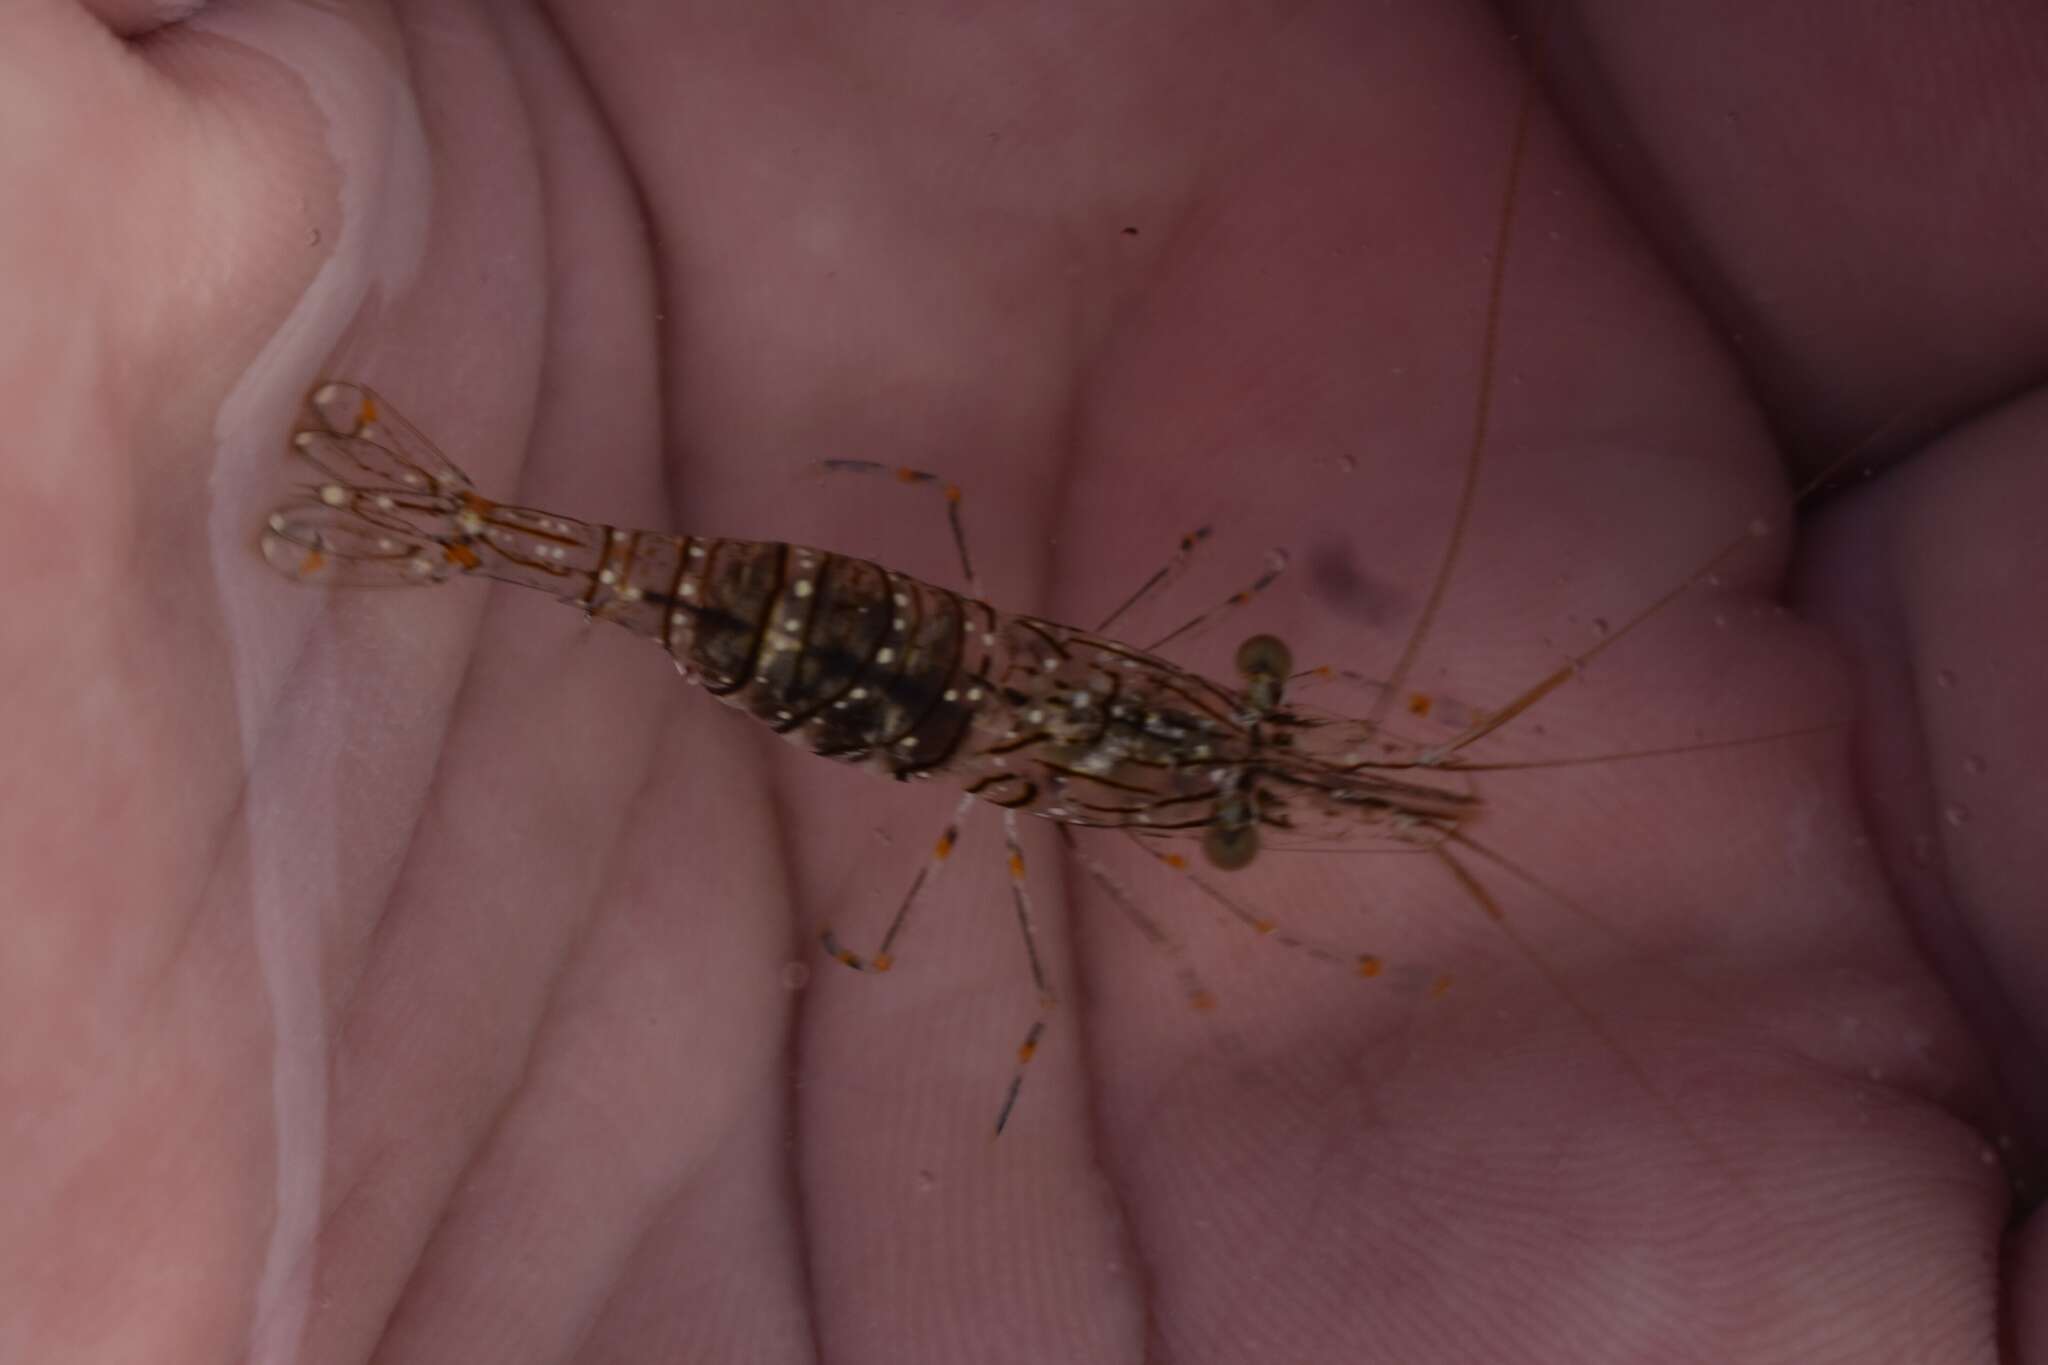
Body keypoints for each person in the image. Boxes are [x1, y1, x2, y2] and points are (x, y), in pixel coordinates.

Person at [5, 2, 2044, 1360]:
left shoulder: (1173, 718)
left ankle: (455, 525)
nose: (1241, 774)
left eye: (1240, 773)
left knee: (787, 637)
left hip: (876, 642)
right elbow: (1164, 782)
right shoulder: (1179, 802)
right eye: (1252, 772)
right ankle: (460, 527)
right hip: (870, 652)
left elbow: (1182, 671)